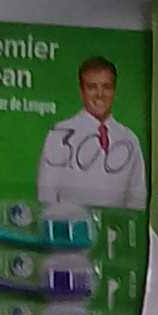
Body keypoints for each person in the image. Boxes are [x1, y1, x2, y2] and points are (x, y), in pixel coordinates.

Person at [38, 52, 147, 212]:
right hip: (70, 223)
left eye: (106, 87)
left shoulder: (129, 139)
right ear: (82, 91)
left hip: (115, 226)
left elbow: (137, 198)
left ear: (114, 90)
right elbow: (46, 194)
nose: (100, 94)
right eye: (92, 87)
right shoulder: (60, 134)